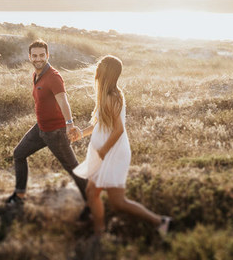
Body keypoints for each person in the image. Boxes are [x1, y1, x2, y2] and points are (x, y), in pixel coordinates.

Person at [73, 55, 170, 238]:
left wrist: (103, 151)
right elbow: (99, 125)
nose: (96, 71)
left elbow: (118, 129)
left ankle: (160, 221)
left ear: (106, 73)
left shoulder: (113, 97)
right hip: (103, 152)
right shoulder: (104, 95)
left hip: (112, 153)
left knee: (118, 202)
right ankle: (99, 233)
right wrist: (81, 134)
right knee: (92, 193)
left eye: (99, 68)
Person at [6, 40, 90, 216]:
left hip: (56, 132)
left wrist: (69, 124)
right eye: (35, 55)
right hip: (41, 129)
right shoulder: (36, 75)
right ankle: (19, 195)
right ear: (30, 57)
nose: (38, 59)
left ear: (47, 55)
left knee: (73, 168)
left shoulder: (53, 77)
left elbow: (63, 101)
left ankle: (93, 204)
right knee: (19, 154)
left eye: (41, 55)